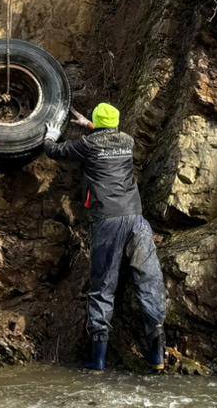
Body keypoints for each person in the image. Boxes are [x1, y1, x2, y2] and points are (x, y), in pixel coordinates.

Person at [42, 101, 166, 372]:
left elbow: (55, 151)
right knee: (149, 282)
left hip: (107, 222)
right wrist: (92, 125)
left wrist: (50, 134)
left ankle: (98, 360)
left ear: (97, 124)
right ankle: (157, 357)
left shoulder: (88, 145)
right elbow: (107, 137)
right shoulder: (128, 141)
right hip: (136, 220)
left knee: (103, 287)